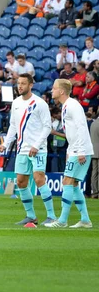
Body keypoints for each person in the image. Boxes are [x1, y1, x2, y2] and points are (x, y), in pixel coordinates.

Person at [0, 74, 54, 226]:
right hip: (22, 149)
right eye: (18, 83)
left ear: (31, 85)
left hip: (38, 149)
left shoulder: (39, 103)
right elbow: (13, 126)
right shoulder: (15, 103)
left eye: (23, 83)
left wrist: (37, 145)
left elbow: (48, 126)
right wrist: (6, 143)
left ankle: (51, 216)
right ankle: (31, 216)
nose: (20, 86)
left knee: (39, 178)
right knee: (21, 182)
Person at [45, 79, 93, 228]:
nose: (52, 90)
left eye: (54, 88)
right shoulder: (66, 106)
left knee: (67, 182)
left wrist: (80, 151)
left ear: (61, 91)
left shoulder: (73, 105)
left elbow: (81, 128)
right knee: (74, 184)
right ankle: (85, 220)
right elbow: (72, 132)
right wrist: (70, 150)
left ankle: (62, 221)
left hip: (81, 149)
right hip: (75, 149)